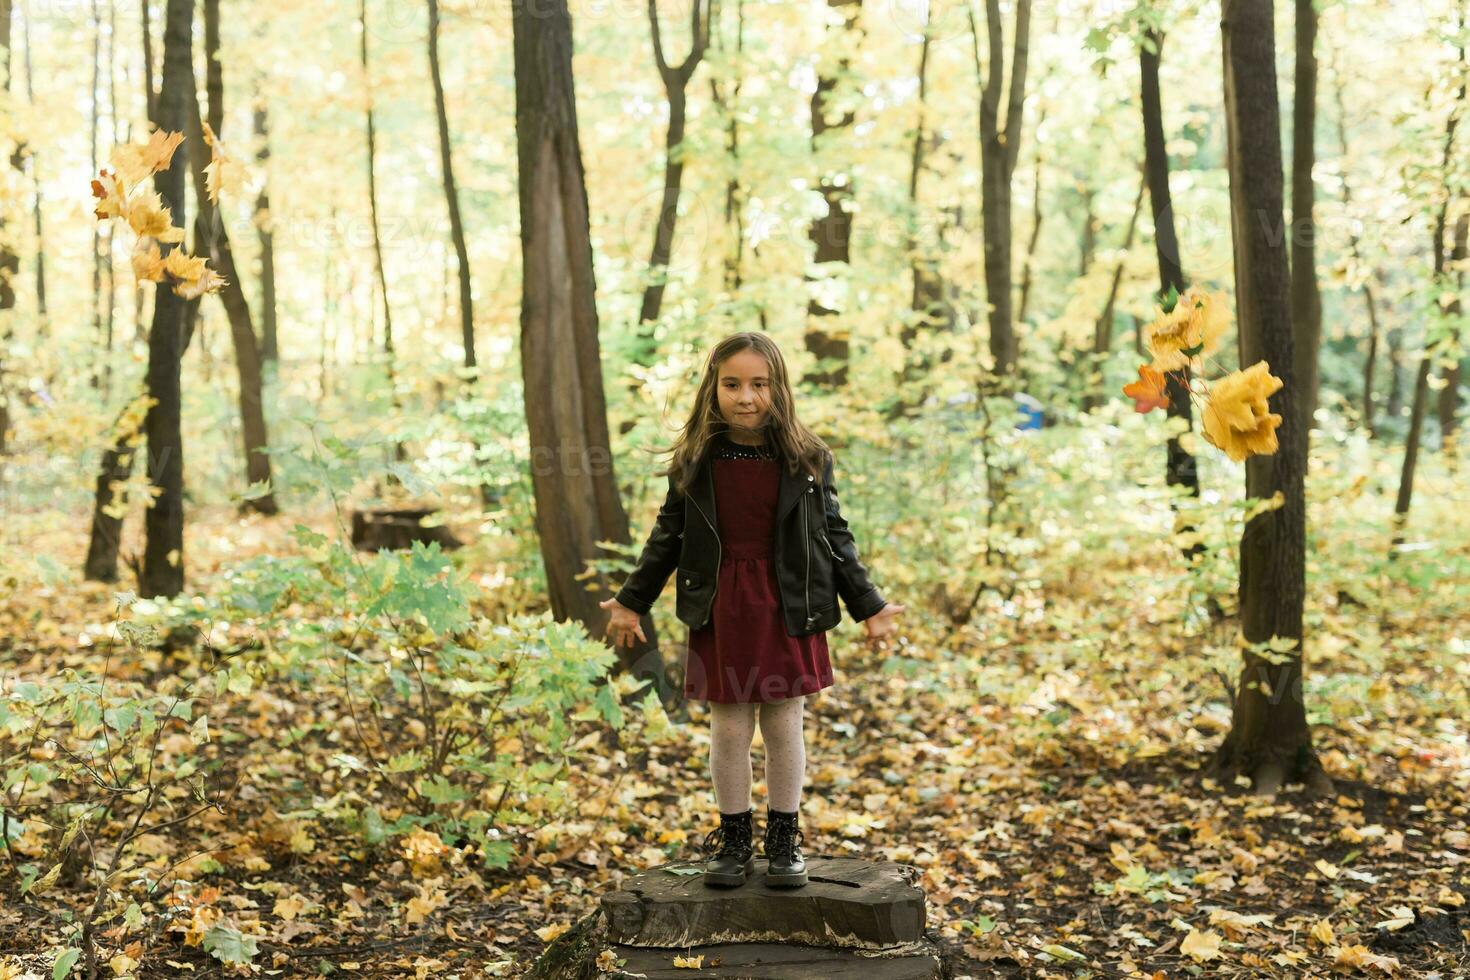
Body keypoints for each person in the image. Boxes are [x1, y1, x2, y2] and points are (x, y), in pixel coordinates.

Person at [598, 331, 905, 889]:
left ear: (778, 388)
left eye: (759, 384)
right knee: (730, 724)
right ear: (712, 390)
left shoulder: (807, 459)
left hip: (790, 602)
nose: (746, 396)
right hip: (722, 606)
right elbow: (667, 537)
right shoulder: (697, 460)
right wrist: (631, 600)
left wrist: (870, 605)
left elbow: (834, 537)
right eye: (732, 384)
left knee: (785, 719)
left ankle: (784, 839)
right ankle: (734, 838)